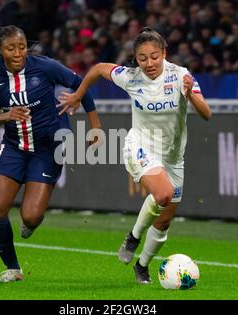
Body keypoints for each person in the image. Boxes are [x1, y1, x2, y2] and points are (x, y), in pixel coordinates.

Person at [58, 27, 211, 284]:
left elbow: (206, 114)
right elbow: (97, 69)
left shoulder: (181, 76)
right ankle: (133, 237)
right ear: (136, 59)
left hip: (173, 157)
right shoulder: (130, 77)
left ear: (164, 53)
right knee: (162, 194)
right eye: (142, 58)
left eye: (154, 56)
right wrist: (78, 95)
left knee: (163, 223)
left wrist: (190, 96)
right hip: (140, 146)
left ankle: (142, 265)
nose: (149, 63)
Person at [0, 25, 101, 282]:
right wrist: (6, 115)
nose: (18, 53)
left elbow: (81, 84)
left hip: (47, 148)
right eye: (11, 48)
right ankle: (13, 268)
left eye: (22, 47)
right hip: (13, 146)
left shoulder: (45, 66)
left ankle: (30, 223)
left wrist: (95, 126)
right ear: (0, 50)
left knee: (31, 216)